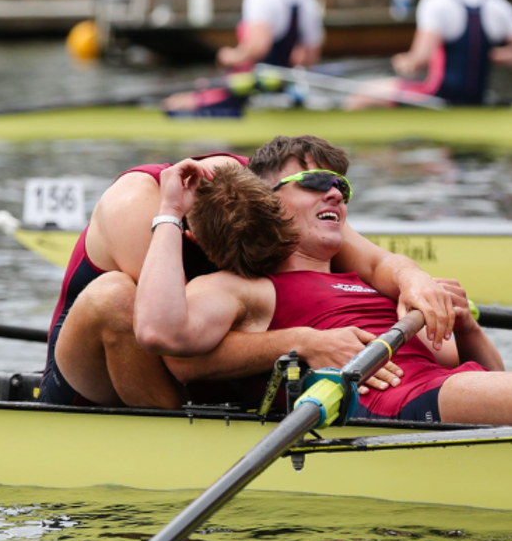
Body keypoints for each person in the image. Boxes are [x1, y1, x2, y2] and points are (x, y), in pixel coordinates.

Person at [134, 138, 512, 426]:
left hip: (446, 388)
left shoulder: (370, 283)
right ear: (266, 200)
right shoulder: (244, 287)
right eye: (315, 183)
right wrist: (169, 212)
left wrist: (466, 326)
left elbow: (486, 370)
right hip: (389, 406)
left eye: (341, 185)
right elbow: (161, 332)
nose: (335, 194)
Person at [39, 142, 455, 409]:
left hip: (211, 341)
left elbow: (375, 262)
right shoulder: (136, 208)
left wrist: (414, 279)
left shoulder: (280, 192)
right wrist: (303, 342)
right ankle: (180, 441)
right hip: (100, 373)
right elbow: (176, 349)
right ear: (192, 236)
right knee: (116, 297)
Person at [347, 0, 512, 109]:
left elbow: (419, 60)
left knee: (362, 95)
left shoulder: (436, 1)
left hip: (437, 96)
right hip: (476, 99)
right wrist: (496, 55)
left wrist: (402, 61)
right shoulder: (498, 5)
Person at [163, 0, 324, 116]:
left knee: (175, 103)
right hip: (282, 89)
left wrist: (229, 55)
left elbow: (258, 48)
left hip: (246, 91)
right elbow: (310, 56)